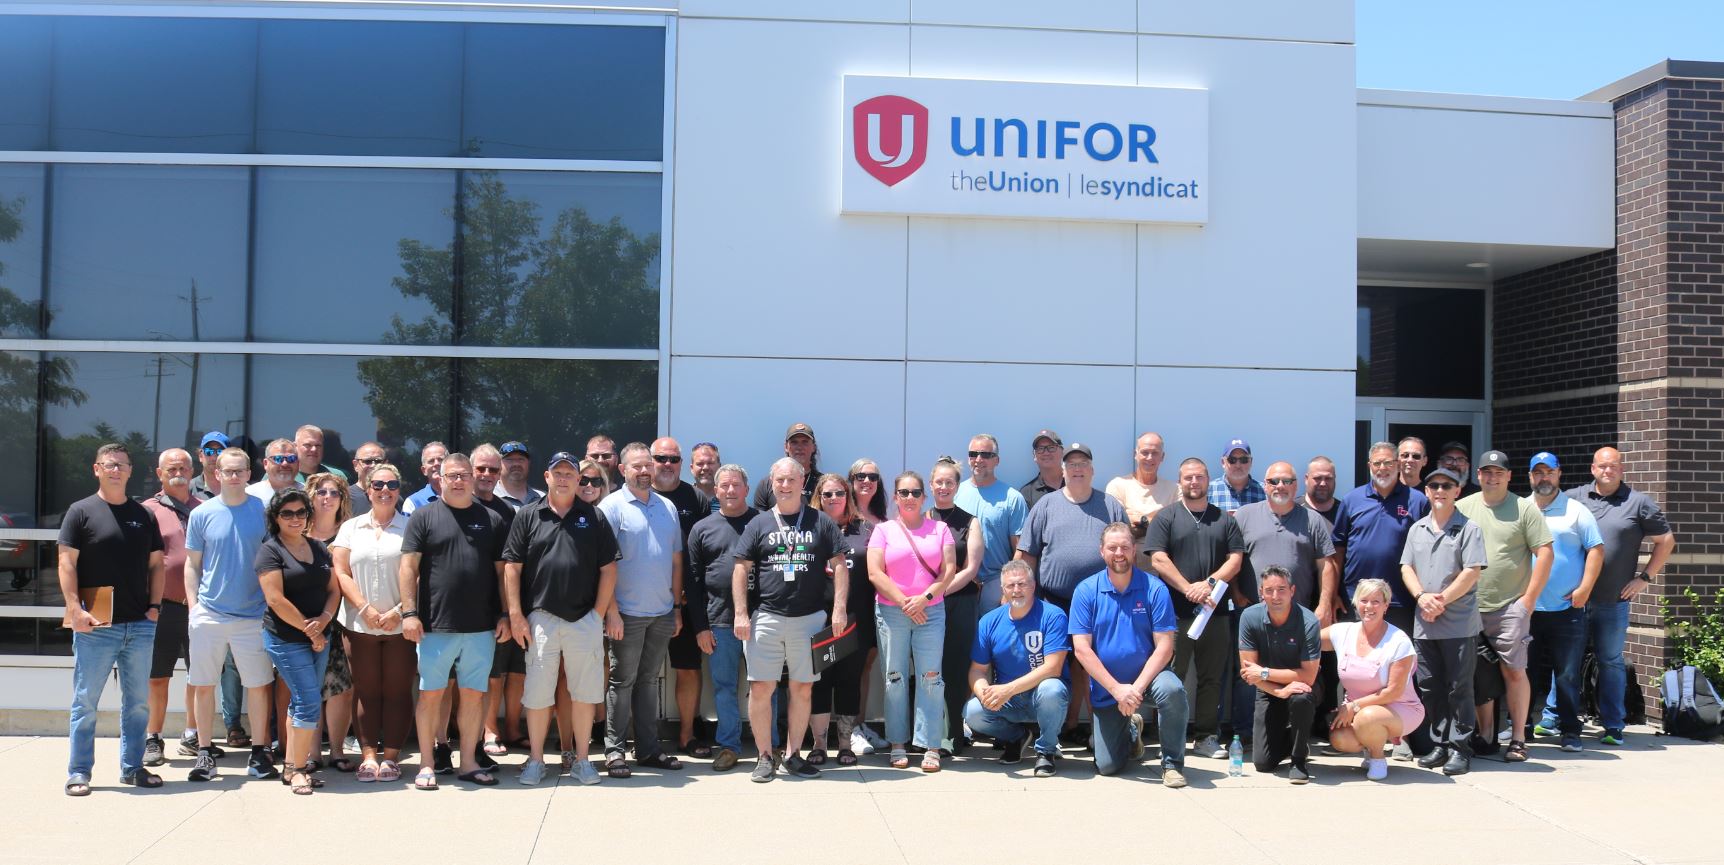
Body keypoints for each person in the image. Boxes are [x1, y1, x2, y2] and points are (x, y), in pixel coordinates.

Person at [504, 451, 621, 786]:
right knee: (539, 694)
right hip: (540, 619)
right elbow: (512, 567)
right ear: (547, 477)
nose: (566, 478)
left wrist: (597, 614)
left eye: (572, 473)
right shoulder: (528, 515)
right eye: (559, 472)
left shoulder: (594, 517)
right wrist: (516, 614)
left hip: (583, 619)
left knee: (584, 693)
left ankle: (583, 760)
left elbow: (609, 568)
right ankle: (537, 760)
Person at [734, 457, 850, 782]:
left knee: (802, 689)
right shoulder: (758, 524)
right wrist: (741, 612)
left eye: (791, 480)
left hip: (810, 619)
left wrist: (838, 609)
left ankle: (793, 755)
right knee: (761, 688)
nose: (785, 485)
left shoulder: (820, 521)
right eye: (779, 480)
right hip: (767, 618)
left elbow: (840, 565)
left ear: (802, 483)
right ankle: (764, 756)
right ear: (772, 483)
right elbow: (740, 568)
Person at [59, 443, 165, 795]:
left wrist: (154, 608)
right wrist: (74, 609)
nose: (116, 469)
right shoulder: (80, 512)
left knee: (137, 704)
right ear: (96, 469)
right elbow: (66, 563)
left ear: (131, 471)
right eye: (109, 464)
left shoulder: (144, 514)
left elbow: (156, 565)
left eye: (122, 464)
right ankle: (79, 773)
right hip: (95, 626)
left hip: (139, 625)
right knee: (86, 702)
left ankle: (132, 768)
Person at [399, 452, 509, 790]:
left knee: (474, 695)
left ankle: (468, 763)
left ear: (473, 479)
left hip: (481, 626)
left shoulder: (491, 519)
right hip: (435, 625)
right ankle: (427, 764)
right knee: (431, 695)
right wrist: (409, 613)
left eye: (464, 475)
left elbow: (503, 572)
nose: (458, 481)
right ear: (440, 479)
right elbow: (407, 568)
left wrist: (506, 614)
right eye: (452, 475)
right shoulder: (423, 517)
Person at [1564, 446, 1676, 745]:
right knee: (1567, 660)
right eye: (1602, 466)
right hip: (1575, 597)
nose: (1607, 471)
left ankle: (1613, 725)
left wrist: (1644, 578)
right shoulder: (1574, 498)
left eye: (1613, 466)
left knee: (1610, 661)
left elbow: (1666, 541)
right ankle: (1555, 718)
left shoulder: (1638, 502)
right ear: (1592, 469)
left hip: (1614, 600)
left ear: (1621, 469)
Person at [1016, 443, 1126, 741]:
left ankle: (1099, 733)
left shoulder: (1111, 506)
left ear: (1092, 470)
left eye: (1083, 464)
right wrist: (1015, 595)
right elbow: (1026, 555)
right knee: (1054, 666)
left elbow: (1124, 554)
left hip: (1100, 602)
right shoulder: (1046, 505)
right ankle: (1054, 731)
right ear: (1063, 471)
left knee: (1096, 666)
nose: (1077, 469)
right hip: (1054, 602)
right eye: (1071, 465)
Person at [1069, 522, 1189, 786]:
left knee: (1173, 691)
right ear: (1102, 552)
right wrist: (1116, 690)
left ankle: (1172, 763)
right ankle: (1131, 731)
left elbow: (1165, 647)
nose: (1119, 553)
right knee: (1108, 766)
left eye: (1125, 546)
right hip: (1107, 688)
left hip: (1148, 679)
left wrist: (1135, 688)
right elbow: (1081, 649)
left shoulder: (1155, 588)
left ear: (1135, 550)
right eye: (1112, 548)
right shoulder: (1086, 591)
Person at [184, 447, 277, 783]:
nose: (234, 476)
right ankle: (205, 753)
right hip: (209, 614)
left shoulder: (264, 512)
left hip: (253, 616)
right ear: (217, 474)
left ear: (249, 474)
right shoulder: (202, 514)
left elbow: (273, 563)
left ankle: (259, 752)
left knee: (258, 686)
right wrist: (194, 608)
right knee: (203, 684)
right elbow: (192, 564)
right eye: (228, 471)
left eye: (240, 471)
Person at [1456, 449, 1553, 764]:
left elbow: (1545, 553)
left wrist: (1529, 601)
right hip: (1468, 607)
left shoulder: (1524, 509)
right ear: (1479, 475)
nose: (1492, 477)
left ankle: (1519, 739)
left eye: (1499, 472)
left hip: (1510, 607)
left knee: (1514, 672)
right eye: (1487, 471)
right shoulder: (1463, 507)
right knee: (1476, 673)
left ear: (1509, 476)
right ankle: (1483, 736)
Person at [1233, 460, 1337, 747]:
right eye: (1274, 481)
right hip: (1254, 616)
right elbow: (1232, 558)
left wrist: (1324, 605)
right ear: (1264, 485)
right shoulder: (1244, 516)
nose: (1281, 486)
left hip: (1297, 618)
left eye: (1287, 481)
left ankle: (1298, 733)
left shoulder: (1312, 520)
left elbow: (1325, 565)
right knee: (1247, 674)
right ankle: (1245, 733)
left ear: (1296, 485)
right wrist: (1234, 593)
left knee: (1301, 679)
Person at [1146, 457, 1244, 759]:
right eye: (1188, 477)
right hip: (1174, 614)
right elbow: (1158, 559)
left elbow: (1235, 560)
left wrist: (1208, 584)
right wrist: (1188, 588)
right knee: (1170, 677)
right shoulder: (1167, 517)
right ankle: (1168, 739)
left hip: (1214, 612)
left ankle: (1205, 737)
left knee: (1212, 678)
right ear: (1180, 482)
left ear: (1207, 481)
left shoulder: (1225, 520)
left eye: (1199, 477)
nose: (1193, 482)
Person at [597, 442, 685, 777]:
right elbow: (603, 565)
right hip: (626, 614)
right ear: (623, 470)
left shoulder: (667, 507)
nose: (645, 471)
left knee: (649, 681)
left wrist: (675, 607)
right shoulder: (612, 507)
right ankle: (614, 752)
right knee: (622, 680)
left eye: (648, 465)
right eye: (637, 466)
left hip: (661, 612)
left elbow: (676, 561)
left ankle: (648, 750)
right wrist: (612, 611)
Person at [867, 469, 955, 773]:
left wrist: (924, 600)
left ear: (924, 496)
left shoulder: (940, 529)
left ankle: (931, 744)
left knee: (931, 678)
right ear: (895, 496)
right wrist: (906, 603)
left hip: (931, 612)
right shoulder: (883, 531)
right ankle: (897, 743)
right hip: (893, 612)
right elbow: (875, 573)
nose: (909, 498)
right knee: (894, 678)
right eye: (903, 492)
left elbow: (949, 570)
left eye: (915, 492)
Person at [1400, 467, 1486, 776]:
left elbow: (1471, 572)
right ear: (1426, 491)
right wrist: (1422, 596)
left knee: (1459, 688)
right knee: (1431, 686)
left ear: (1457, 491)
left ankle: (1460, 748)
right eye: (1433, 485)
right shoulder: (1417, 529)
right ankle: (1439, 743)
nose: (1439, 490)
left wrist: (1440, 600)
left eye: (1446, 485)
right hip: (1425, 622)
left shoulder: (1469, 528)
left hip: (1458, 622)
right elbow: (1406, 567)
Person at [332, 462, 412, 784]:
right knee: (365, 691)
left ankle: (391, 757)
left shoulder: (412, 526)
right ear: (367, 490)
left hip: (400, 625)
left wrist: (398, 610)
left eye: (391, 485)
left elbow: (421, 573)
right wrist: (364, 608)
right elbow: (340, 571)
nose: (385, 491)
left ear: (398, 490)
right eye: (378, 485)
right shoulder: (350, 528)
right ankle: (367, 757)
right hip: (359, 624)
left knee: (397, 691)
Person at [257, 488, 340, 795]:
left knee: (304, 701)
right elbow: (275, 599)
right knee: (307, 703)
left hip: (320, 635)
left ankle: (292, 766)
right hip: (286, 638)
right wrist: (312, 631)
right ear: (275, 518)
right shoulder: (270, 550)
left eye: (301, 512)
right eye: (287, 513)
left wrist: (325, 620)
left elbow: (334, 589)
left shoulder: (318, 547)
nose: (295, 519)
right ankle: (299, 769)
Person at [1525, 452, 1603, 753]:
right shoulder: (1521, 508)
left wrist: (1585, 587)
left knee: (1567, 673)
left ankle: (1570, 730)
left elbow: (1596, 549)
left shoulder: (1576, 510)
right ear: (1531, 476)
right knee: (1524, 672)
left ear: (1559, 474)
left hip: (1567, 609)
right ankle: (1523, 728)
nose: (1544, 478)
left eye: (1549, 472)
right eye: (1538, 472)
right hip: (1528, 607)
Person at [963, 560, 1070, 777]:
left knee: (1052, 689)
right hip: (1009, 700)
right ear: (1002, 590)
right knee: (972, 711)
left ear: (1033, 585)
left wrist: (1007, 689)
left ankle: (1046, 751)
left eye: (1022, 584)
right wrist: (985, 693)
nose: (1016, 590)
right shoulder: (989, 621)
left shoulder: (1052, 615)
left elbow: (1053, 668)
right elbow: (977, 670)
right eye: (1010, 586)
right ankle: (1016, 737)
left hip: (1043, 696)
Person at [686, 464, 760, 771]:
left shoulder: (763, 522)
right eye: (724, 486)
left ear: (746, 488)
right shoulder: (702, 529)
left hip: (761, 620)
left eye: (736, 485)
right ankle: (729, 746)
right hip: (718, 621)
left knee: (763, 685)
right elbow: (692, 582)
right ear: (716, 491)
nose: (730, 490)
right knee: (724, 686)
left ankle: (769, 746)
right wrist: (700, 627)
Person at [650, 436, 715, 760]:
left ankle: (686, 736)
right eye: (660, 458)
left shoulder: (694, 498)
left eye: (672, 459)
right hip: (644, 599)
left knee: (688, 668)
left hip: (687, 600)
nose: (666, 465)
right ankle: (639, 738)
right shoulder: (638, 493)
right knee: (636, 672)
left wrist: (694, 590)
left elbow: (704, 547)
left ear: (681, 464)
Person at [1322, 578, 1423, 782]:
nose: (1369, 607)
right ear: (1356, 603)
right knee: (1340, 739)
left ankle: (1378, 759)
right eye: (1364, 600)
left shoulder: (1399, 641)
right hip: (1358, 710)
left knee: (1367, 717)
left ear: (1386, 605)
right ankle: (1370, 744)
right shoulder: (1343, 632)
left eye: (1376, 601)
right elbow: (1307, 640)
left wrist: (1353, 706)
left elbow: (1393, 692)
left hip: (1401, 708)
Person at [806, 472, 872, 766]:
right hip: (816, 619)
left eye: (839, 493)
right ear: (818, 498)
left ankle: (845, 744)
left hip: (855, 619)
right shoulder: (808, 528)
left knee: (849, 680)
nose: (833, 499)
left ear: (849, 496)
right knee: (819, 681)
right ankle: (819, 744)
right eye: (827, 494)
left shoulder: (865, 530)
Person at [141, 448, 201, 768]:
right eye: (171, 467)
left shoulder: (206, 509)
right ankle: (153, 737)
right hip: (161, 608)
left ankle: (192, 735)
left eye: (183, 466)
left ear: (192, 472)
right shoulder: (146, 511)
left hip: (200, 607)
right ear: (159, 473)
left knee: (198, 674)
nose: (178, 470)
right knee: (157, 676)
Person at [1237, 567, 1321, 783]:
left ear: (1292, 590)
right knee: (1263, 764)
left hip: (1302, 687)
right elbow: (1249, 674)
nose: (1276, 596)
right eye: (1269, 590)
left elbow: (1308, 676)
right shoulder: (1249, 616)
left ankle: (1298, 759)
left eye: (1282, 589)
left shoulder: (1309, 621)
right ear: (1261, 593)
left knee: (1301, 698)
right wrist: (1279, 691)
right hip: (1267, 689)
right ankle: (1294, 739)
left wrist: (1265, 672)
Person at [927, 456, 985, 754]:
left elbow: (971, 568)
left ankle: (951, 738)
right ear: (931, 484)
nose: (944, 486)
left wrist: (940, 592)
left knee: (954, 667)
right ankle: (926, 736)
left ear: (956, 485)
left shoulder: (970, 522)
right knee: (928, 669)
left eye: (950, 482)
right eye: (939, 481)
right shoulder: (921, 518)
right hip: (926, 605)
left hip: (959, 603)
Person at [470, 444, 522, 758]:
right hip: (473, 609)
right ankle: (486, 731)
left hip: (503, 606)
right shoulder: (461, 504)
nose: (487, 475)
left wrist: (509, 610)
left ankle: (505, 729)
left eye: (492, 469)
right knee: (488, 675)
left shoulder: (505, 511)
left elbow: (510, 564)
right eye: (482, 469)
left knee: (506, 671)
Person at [300, 472, 355, 774]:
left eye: (334, 493)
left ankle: (336, 750)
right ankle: (311, 753)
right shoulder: (297, 532)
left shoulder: (350, 533)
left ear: (342, 499)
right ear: (311, 496)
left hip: (342, 620)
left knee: (340, 688)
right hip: (303, 622)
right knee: (308, 687)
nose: (327, 498)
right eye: (321, 492)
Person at [955, 433, 1028, 611]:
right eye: (973, 454)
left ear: (997, 460)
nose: (978, 459)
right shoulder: (954, 492)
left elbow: (1020, 550)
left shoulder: (1012, 498)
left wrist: (1008, 590)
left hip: (995, 584)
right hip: (959, 582)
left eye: (986, 455)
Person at [847, 457, 889, 754]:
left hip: (876, 605)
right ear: (851, 480)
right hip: (845, 604)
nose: (866, 481)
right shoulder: (841, 518)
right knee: (843, 669)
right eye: (860, 475)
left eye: (872, 477)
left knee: (865, 666)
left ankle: (858, 726)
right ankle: (844, 730)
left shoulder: (885, 522)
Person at [1105, 431, 1177, 574]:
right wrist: (1158, 521)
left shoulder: (1174, 490)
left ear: (1162, 457)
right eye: (1145, 452)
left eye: (1155, 453)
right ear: (1135, 454)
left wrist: (1140, 520)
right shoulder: (1118, 485)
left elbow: (1175, 530)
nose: (1149, 457)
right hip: (1125, 572)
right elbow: (1118, 530)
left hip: (1164, 574)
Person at [752, 423, 821, 509]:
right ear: (786, 447)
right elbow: (761, 520)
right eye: (794, 442)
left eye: (805, 442)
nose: (799, 447)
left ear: (813, 447)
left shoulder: (823, 483)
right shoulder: (767, 484)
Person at [1210, 438, 1265, 514]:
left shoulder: (1265, 492)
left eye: (1243, 460)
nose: (1238, 465)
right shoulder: (1209, 490)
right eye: (1232, 460)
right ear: (1223, 462)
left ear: (1251, 461)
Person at [246, 438, 303, 506]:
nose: (285, 463)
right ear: (266, 463)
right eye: (278, 459)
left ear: (298, 463)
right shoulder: (249, 495)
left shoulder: (309, 493)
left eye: (291, 458)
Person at [1018, 429, 1064, 509]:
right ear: (1034, 456)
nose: (1046, 453)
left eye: (1051, 447)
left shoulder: (1075, 483)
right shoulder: (1027, 493)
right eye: (1040, 448)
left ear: (1062, 452)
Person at [401, 441, 448, 514]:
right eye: (431, 461)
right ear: (424, 470)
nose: (436, 464)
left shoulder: (462, 497)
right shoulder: (413, 503)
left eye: (441, 459)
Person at [497, 441, 543, 509]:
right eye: (509, 460)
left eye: (521, 459)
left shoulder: (543, 499)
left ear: (528, 463)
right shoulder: (488, 497)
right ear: (498, 464)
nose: (516, 464)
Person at [348, 441, 386, 516]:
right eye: (367, 461)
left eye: (378, 461)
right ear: (356, 465)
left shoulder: (392, 497)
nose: (373, 465)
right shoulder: (344, 497)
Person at [190, 431, 230, 500]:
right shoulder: (188, 489)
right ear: (200, 456)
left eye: (220, 452)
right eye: (208, 451)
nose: (214, 458)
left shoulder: (240, 488)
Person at [1303, 456, 1340, 528]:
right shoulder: (1292, 510)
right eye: (1317, 478)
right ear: (1306, 479)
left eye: (1328, 478)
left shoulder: (1344, 512)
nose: (1323, 483)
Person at [690, 441, 722, 505]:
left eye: (710, 463)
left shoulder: (729, 499)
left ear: (719, 467)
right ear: (692, 468)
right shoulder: (682, 496)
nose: (705, 468)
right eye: (700, 463)